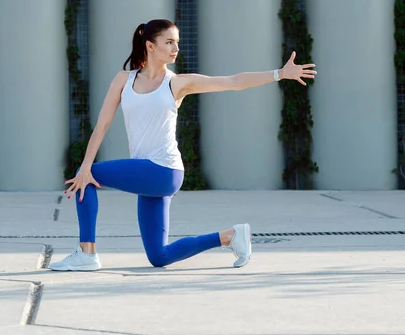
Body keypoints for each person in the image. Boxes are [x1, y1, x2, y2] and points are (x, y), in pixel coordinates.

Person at [49, 19, 317, 271]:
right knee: (159, 257)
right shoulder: (124, 80)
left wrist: (278, 73)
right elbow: (102, 126)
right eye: (169, 42)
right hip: (150, 176)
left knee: (90, 175)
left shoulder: (177, 83)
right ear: (150, 46)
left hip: (164, 170)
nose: (176, 48)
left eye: (177, 42)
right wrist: (84, 166)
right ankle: (230, 236)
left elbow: (234, 82)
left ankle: (86, 253)